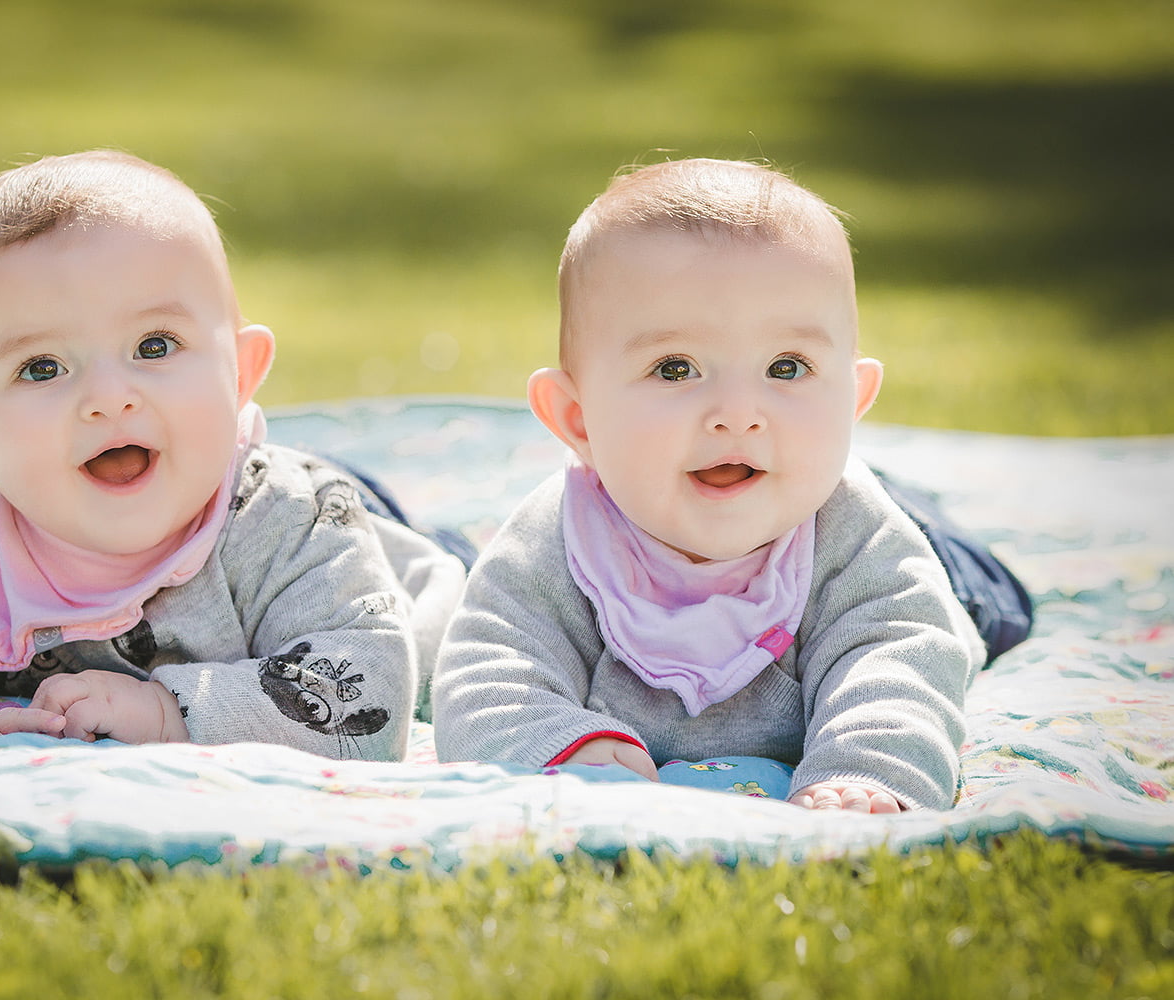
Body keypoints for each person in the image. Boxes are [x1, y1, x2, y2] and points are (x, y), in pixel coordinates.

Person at [0, 150, 466, 761]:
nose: (109, 399)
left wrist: (171, 710)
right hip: (212, 466)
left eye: (154, 346)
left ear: (240, 375)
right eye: (43, 367)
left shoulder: (295, 520)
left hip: (366, 536)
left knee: (455, 592)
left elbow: (366, 690)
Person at [432, 158, 1031, 812]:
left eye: (786, 365)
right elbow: (487, 676)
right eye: (675, 368)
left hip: (932, 560)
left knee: (967, 602)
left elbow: (898, 669)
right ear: (577, 420)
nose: (738, 413)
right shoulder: (552, 544)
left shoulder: (864, 544)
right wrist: (560, 744)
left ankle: (927, 520)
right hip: (778, 478)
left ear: (852, 399)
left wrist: (866, 774)